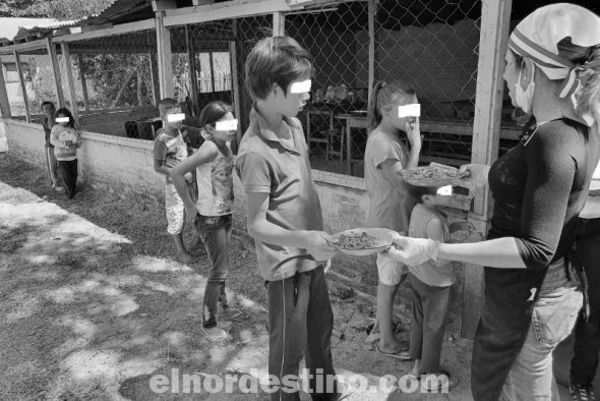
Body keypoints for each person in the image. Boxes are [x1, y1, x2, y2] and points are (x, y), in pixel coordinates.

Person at [382, 4, 600, 400]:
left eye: (508, 64)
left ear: (532, 70)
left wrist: (436, 248)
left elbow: (534, 249)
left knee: (521, 388)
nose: (502, 74)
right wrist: (484, 173)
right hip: (539, 294)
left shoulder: (555, 139)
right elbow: (542, 186)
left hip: (529, 301)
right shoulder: (574, 124)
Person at [236, 36, 347, 401]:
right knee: (289, 350)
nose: (308, 95)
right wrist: (306, 242)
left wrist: (318, 245)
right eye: (300, 88)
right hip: (285, 269)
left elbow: (304, 192)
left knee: (320, 334)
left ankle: (325, 395)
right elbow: (257, 224)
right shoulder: (254, 152)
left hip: (311, 256)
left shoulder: (294, 126)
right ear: (271, 88)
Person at [170, 100, 247, 344]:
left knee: (221, 267)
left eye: (233, 122)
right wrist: (190, 206)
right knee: (217, 271)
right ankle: (209, 323)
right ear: (210, 128)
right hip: (210, 218)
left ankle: (224, 308)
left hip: (223, 215)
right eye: (226, 123)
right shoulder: (210, 148)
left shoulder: (224, 146)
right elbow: (176, 173)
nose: (232, 127)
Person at [364, 80, 421, 359]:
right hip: (387, 226)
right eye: (408, 108)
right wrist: (418, 146)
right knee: (389, 282)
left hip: (392, 221)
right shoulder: (383, 143)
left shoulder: (389, 139)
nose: (414, 114)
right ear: (387, 109)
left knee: (391, 279)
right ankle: (385, 341)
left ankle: (380, 325)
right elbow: (405, 186)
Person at [402, 184, 458, 390]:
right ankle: (431, 376)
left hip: (417, 276)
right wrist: (464, 245)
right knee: (434, 328)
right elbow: (440, 260)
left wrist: (450, 231)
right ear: (427, 198)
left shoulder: (418, 209)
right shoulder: (434, 221)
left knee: (419, 321)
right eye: (444, 191)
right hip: (436, 283)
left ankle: (417, 367)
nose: (450, 193)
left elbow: (424, 240)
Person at [153, 98, 194, 264]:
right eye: (173, 115)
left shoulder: (180, 132)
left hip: (188, 182)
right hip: (174, 185)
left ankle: (197, 239)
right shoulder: (162, 140)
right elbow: (157, 167)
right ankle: (180, 250)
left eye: (180, 114)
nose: (178, 119)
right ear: (163, 116)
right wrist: (180, 173)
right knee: (176, 216)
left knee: (192, 210)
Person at [50, 107, 80, 199]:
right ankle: (70, 193)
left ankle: (73, 189)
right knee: (66, 176)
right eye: (60, 118)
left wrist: (76, 145)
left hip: (73, 156)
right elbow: (52, 140)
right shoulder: (55, 128)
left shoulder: (72, 128)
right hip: (61, 157)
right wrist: (64, 144)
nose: (63, 120)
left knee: (74, 174)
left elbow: (77, 141)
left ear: (69, 118)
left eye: (65, 118)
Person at [41, 101, 61, 192]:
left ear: (54, 109)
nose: (48, 110)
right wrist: (49, 115)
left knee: (60, 165)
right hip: (50, 146)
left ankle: (60, 182)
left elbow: (69, 123)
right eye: (45, 109)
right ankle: (55, 184)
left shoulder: (60, 118)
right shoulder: (45, 120)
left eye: (49, 108)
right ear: (43, 111)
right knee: (52, 166)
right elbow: (52, 127)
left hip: (60, 145)